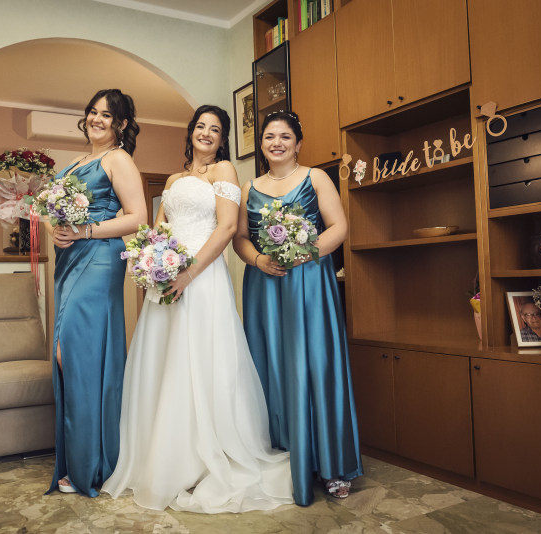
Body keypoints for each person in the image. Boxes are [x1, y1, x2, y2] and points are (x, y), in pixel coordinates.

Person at [101, 105, 293, 513]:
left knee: (202, 359)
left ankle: (206, 455)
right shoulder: (173, 180)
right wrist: (150, 263)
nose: (206, 133)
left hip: (201, 278)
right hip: (166, 278)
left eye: (215, 129)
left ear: (222, 140)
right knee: (165, 360)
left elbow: (226, 228)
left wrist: (188, 274)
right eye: (201, 126)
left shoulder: (224, 171)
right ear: (190, 132)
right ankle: (165, 455)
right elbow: (158, 230)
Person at [232, 111, 362, 505]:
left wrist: (305, 253)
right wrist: (259, 260)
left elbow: (339, 227)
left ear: (298, 143)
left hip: (308, 282)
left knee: (316, 365)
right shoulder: (248, 188)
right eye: (269, 136)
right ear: (262, 144)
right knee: (270, 365)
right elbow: (239, 238)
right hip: (264, 285)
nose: (277, 143)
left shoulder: (315, 177)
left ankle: (332, 464)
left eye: (285, 136)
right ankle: (283, 459)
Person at [46, 89, 147, 497]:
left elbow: (138, 217)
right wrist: (58, 230)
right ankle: (81, 459)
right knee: (65, 354)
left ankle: (91, 465)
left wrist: (85, 230)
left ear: (121, 124)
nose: (96, 119)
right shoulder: (76, 161)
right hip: (70, 261)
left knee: (78, 355)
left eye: (107, 115)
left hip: (100, 260)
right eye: (92, 112)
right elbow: (59, 213)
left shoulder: (118, 159)